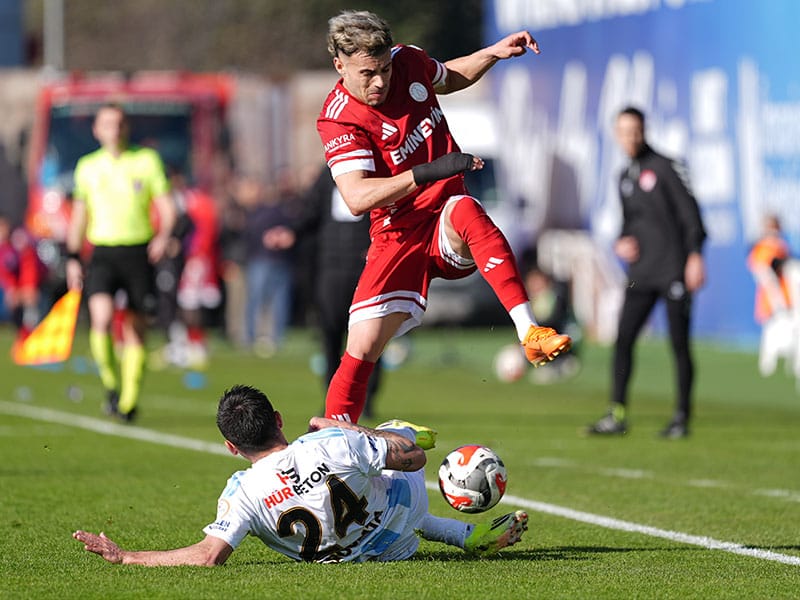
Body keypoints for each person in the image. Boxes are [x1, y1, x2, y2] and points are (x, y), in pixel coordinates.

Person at [316, 10, 571, 423]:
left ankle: (529, 330)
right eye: (367, 73)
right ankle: (331, 442)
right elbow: (357, 197)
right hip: (397, 236)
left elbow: (449, 77)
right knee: (361, 349)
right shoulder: (338, 118)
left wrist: (492, 52)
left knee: (466, 207)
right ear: (339, 65)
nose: (379, 81)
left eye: (384, 69)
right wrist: (427, 172)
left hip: (445, 225)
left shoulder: (408, 61)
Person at [72, 384, 529, 565]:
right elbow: (413, 461)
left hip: (347, 559)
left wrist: (128, 557)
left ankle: (465, 535)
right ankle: (465, 531)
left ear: (231, 447)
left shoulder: (242, 492)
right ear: (278, 419)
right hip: (397, 536)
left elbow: (208, 556)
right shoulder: (331, 442)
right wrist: (348, 428)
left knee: (371, 469)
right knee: (394, 438)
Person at [586, 106, 706, 439]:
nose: (631, 138)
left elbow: (691, 216)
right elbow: (630, 225)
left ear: (644, 131)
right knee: (623, 339)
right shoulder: (625, 176)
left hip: (673, 269)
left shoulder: (666, 167)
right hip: (642, 273)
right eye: (624, 132)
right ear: (616, 134)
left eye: (636, 131)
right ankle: (617, 413)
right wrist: (622, 243)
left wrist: (695, 256)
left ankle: (681, 417)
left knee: (679, 344)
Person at [65, 103, 176, 422]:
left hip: (138, 252)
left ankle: (128, 401)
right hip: (102, 252)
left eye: (119, 123)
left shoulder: (146, 160)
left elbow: (167, 206)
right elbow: (79, 216)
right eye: (107, 124)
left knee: (135, 329)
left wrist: (164, 235)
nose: (114, 130)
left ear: (126, 127)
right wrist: (73, 257)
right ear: (96, 130)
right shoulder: (87, 167)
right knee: (100, 319)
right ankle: (112, 384)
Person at [294, 166, 383, 418]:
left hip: (366, 267)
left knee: (369, 337)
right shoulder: (328, 175)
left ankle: (366, 399)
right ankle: (333, 399)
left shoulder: (377, 172)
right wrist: (291, 232)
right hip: (332, 268)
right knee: (330, 335)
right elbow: (311, 212)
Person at [746, 214, 794, 377]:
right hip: (774, 299)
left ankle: (784, 363)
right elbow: (763, 271)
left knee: (784, 330)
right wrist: (777, 300)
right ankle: (769, 364)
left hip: (785, 297)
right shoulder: (766, 247)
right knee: (773, 330)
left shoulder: (779, 246)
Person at [0, 214, 46, 341]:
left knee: (30, 301)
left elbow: (30, 267)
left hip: (37, 283)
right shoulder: (3, 249)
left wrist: (28, 287)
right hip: (16, 288)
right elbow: (5, 273)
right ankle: (23, 335)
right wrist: (12, 289)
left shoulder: (19, 242)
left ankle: (31, 333)